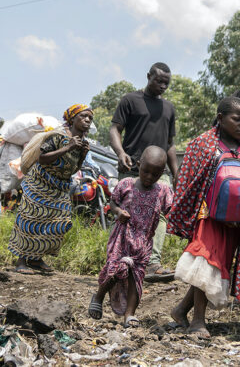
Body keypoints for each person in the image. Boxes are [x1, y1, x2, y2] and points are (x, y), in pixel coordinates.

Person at [167, 97, 240, 337]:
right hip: (208, 217)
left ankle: (180, 310)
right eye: (236, 119)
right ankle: (198, 322)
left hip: (237, 222)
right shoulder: (203, 144)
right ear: (220, 118)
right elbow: (186, 182)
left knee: (215, 268)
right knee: (205, 263)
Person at [89, 146, 173, 327]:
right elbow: (113, 202)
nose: (150, 176)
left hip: (143, 243)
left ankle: (129, 314)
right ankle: (99, 295)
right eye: (146, 171)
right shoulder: (126, 184)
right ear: (138, 164)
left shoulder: (163, 191)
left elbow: (170, 211)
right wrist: (118, 211)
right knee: (115, 271)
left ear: (162, 173)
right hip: (121, 239)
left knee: (136, 278)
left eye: (155, 174)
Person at [110, 62, 178, 280]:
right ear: (149, 76)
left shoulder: (169, 108)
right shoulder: (130, 100)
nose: (162, 86)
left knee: (160, 216)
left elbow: (170, 144)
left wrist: (176, 172)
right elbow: (115, 129)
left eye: (166, 83)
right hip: (133, 168)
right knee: (126, 214)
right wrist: (120, 153)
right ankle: (119, 260)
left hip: (161, 173)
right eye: (158, 80)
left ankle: (151, 263)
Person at [9, 104, 93, 274]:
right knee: (31, 219)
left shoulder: (82, 142)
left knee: (57, 222)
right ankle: (21, 261)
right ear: (72, 119)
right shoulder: (58, 136)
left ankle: (36, 258)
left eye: (90, 118)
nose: (87, 120)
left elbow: (73, 169)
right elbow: (42, 159)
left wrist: (82, 154)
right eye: (83, 116)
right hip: (40, 182)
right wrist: (68, 147)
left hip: (60, 186)